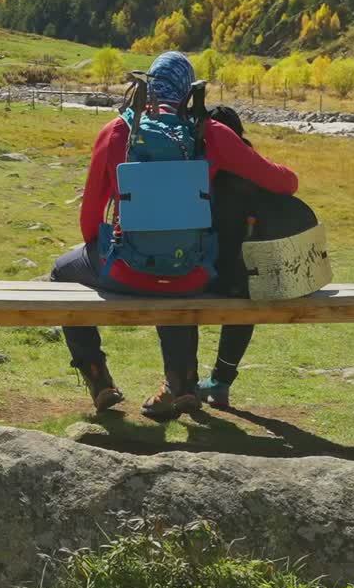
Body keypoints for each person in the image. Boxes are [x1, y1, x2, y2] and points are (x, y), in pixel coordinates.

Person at [52, 52, 298, 420]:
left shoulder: (117, 130)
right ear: (188, 92)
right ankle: (181, 382)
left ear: (147, 85)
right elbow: (286, 182)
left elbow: (90, 217)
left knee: (61, 271)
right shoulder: (211, 135)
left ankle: (97, 377)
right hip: (193, 274)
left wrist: (100, 247)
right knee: (177, 271)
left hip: (124, 271)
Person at [197, 106, 316, 409]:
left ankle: (183, 379)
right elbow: (288, 182)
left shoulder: (196, 160)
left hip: (200, 269)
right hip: (245, 273)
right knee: (247, 289)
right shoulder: (245, 163)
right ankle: (221, 381)